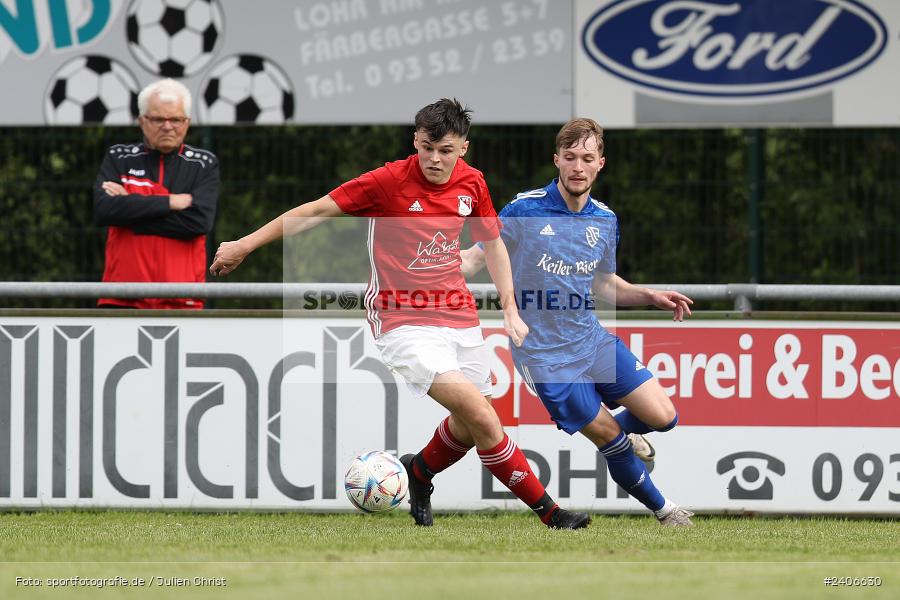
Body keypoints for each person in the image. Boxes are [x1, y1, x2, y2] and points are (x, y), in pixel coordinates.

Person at [209, 99, 591, 530]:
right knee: (484, 418)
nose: (434, 158)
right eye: (427, 146)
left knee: (469, 426)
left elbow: (494, 243)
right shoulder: (388, 181)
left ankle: (419, 471)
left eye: (446, 150)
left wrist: (508, 306)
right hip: (402, 321)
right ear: (415, 140)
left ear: (463, 148)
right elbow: (315, 211)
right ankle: (552, 514)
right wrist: (244, 245)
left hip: (459, 314)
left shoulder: (472, 183)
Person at [460, 118, 695, 526]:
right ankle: (666, 510)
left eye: (587, 158)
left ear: (600, 163)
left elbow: (605, 283)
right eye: (570, 158)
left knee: (665, 417)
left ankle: (619, 438)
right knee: (610, 438)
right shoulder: (525, 208)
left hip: (591, 340)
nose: (577, 167)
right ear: (557, 160)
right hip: (545, 356)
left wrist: (648, 296)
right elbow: (477, 258)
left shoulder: (605, 219)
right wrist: (428, 264)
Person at [93, 78, 219, 309]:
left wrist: (130, 213)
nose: (168, 126)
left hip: (182, 298)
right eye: (159, 119)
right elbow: (103, 210)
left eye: (176, 119)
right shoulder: (118, 157)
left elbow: (198, 222)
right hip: (121, 297)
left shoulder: (203, 164)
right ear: (142, 121)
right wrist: (170, 202)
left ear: (187, 122)